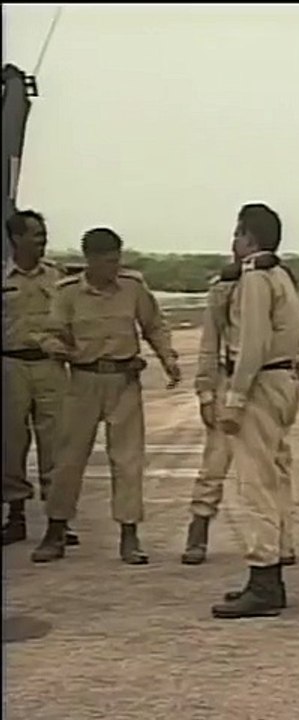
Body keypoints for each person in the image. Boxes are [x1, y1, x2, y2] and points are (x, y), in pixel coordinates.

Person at [30, 228, 181, 564]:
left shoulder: (132, 288)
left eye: (118, 259)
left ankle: (130, 535)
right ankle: (56, 530)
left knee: (128, 461)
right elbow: (49, 333)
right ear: (91, 260)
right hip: (82, 381)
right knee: (67, 460)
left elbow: (154, 324)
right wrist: (59, 350)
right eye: (108, 261)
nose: (115, 267)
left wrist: (168, 358)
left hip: (124, 381)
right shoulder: (67, 293)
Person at [180, 254, 299, 566]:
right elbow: (210, 344)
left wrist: (298, 359)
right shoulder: (225, 286)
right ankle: (198, 529)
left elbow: (285, 329)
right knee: (216, 461)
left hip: (267, 381)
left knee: (275, 464)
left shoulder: (275, 280)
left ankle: (282, 541)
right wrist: (207, 392)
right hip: (232, 379)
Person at [210, 203, 299, 619]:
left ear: (249, 237)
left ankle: (264, 577)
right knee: (276, 473)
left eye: (237, 234)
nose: (233, 242)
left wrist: (234, 398)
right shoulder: (282, 274)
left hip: (261, 382)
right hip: (282, 380)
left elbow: (251, 343)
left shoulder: (254, 278)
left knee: (256, 481)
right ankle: (278, 556)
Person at [1, 210, 78, 547]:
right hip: (11, 366)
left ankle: (57, 521)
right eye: (35, 235)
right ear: (16, 238)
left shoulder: (57, 277)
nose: (42, 241)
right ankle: (15, 515)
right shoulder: (3, 276)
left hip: (50, 367)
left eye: (44, 235)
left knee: (57, 445)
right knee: (10, 444)